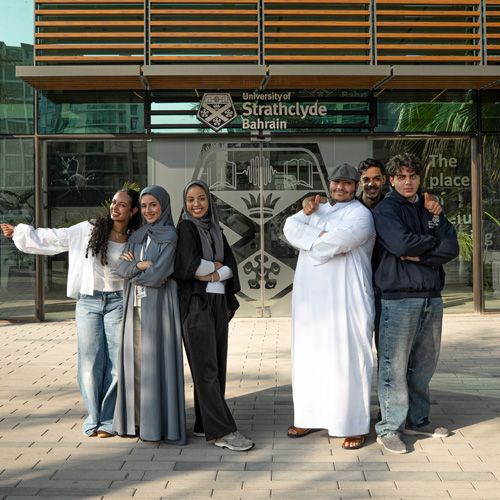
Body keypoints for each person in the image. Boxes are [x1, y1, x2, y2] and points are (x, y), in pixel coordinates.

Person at [0, 189, 141, 438]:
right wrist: (21, 232)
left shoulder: (136, 237)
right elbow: (57, 237)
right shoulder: (90, 229)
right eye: (114, 202)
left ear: (133, 210)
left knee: (118, 362)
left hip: (119, 301)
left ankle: (109, 419)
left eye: (122, 204)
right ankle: (94, 417)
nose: (115, 207)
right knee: (89, 362)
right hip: (89, 301)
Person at [283, 163, 376, 450]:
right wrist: (324, 239)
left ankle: (353, 425)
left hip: (348, 301)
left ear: (356, 186)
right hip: (312, 301)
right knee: (310, 357)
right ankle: (309, 417)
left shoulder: (362, 215)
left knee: (349, 360)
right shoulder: (314, 209)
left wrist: (313, 242)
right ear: (329, 183)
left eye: (347, 183)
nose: (340, 187)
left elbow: (334, 243)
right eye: (336, 182)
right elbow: (289, 228)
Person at [373, 153, 459, 454]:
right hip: (398, 298)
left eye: (413, 176)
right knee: (393, 366)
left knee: (423, 365)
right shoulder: (386, 210)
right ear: (392, 180)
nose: (408, 182)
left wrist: (420, 254)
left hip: (431, 297)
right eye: (401, 177)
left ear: (419, 178)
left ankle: (417, 420)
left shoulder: (431, 207)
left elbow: (452, 246)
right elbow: (400, 244)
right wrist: (431, 244)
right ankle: (389, 428)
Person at [173, 180, 254, 452]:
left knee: (216, 366)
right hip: (196, 303)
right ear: (185, 203)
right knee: (205, 368)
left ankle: (203, 422)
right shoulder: (186, 228)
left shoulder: (216, 229)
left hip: (218, 302)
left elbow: (231, 265)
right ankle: (223, 431)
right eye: (190, 199)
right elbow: (189, 266)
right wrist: (216, 268)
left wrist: (214, 273)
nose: (196, 204)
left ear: (209, 201)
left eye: (201, 198)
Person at [112, 186, 187, 444]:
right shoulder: (138, 234)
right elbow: (120, 268)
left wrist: (134, 270)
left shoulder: (171, 235)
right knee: (136, 363)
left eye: (153, 205)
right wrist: (140, 266)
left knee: (156, 364)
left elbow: (157, 276)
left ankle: (157, 425)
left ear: (163, 205)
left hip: (159, 308)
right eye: (144, 206)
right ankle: (136, 419)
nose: (148, 210)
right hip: (134, 307)